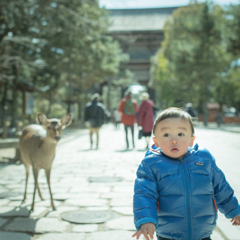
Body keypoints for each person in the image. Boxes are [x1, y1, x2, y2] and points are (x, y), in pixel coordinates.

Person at [133, 107, 240, 240]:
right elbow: (144, 195)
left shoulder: (204, 159)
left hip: (203, 233)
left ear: (191, 140)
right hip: (168, 234)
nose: (174, 140)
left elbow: (221, 188)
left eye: (181, 134)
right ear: (156, 142)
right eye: (166, 135)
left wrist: (235, 210)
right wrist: (146, 220)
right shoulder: (151, 164)